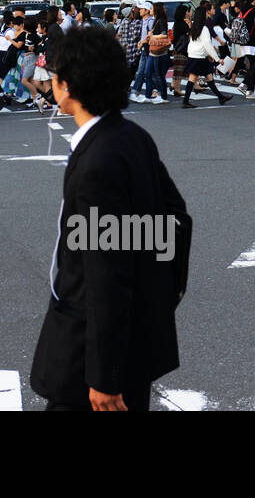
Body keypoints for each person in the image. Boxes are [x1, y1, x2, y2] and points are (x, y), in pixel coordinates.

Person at [28, 26, 189, 412]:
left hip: (91, 354)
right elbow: (176, 218)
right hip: (134, 340)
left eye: (53, 76)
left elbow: (106, 275)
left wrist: (103, 376)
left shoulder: (97, 163)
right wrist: (158, 290)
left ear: (67, 85)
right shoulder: (132, 136)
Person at [182, 2, 231, 108]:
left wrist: (208, 55)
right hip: (199, 57)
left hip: (195, 55)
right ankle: (186, 101)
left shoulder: (195, 26)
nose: (206, 14)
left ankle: (220, 97)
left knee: (207, 77)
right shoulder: (204, 29)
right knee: (198, 78)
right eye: (205, 13)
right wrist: (217, 59)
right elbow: (207, 45)